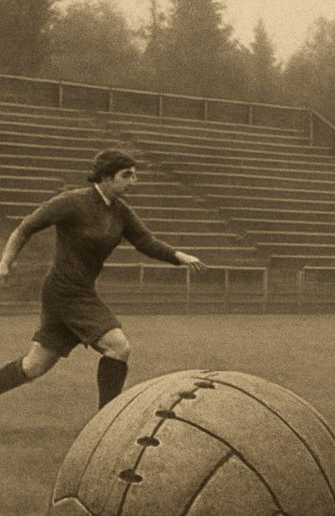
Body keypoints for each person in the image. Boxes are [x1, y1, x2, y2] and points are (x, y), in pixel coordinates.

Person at [0, 149, 207, 409]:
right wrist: (5, 263)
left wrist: (178, 256)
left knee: (34, 366)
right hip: (65, 293)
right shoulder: (72, 202)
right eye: (127, 175)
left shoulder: (120, 211)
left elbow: (145, 241)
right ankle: (106, 419)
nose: (134, 181)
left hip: (77, 292)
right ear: (106, 178)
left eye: (134, 175)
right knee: (119, 347)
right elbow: (25, 227)